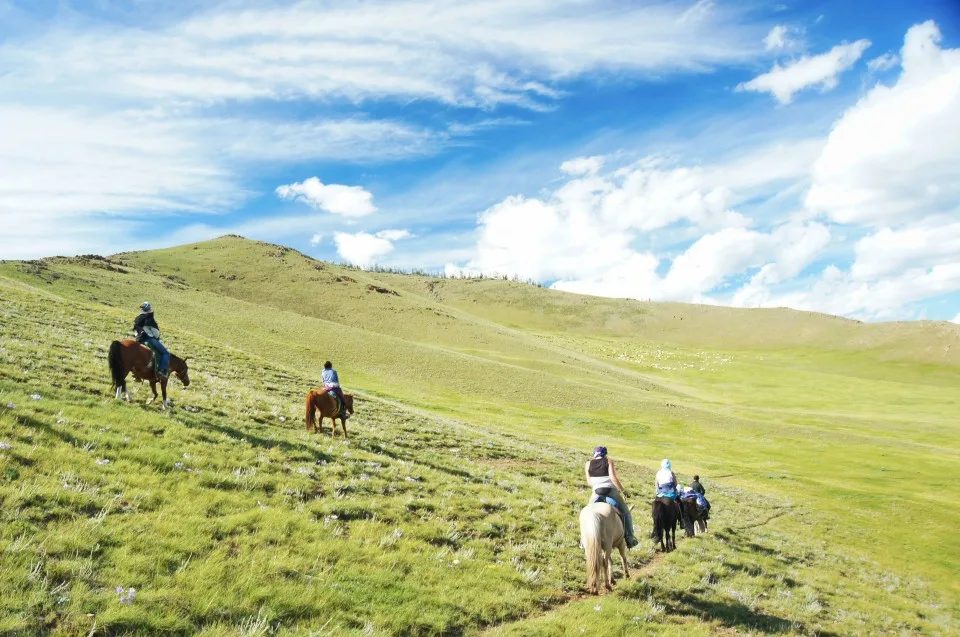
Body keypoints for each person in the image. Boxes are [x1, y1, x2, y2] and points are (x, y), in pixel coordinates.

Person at [584, 446, 638, 548]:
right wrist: (623, 491)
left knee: (587, 514)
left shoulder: (587, 464)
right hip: (610, 492)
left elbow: (589, 482)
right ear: (605, 454)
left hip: (596, 492)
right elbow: (613, 478)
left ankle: (583, 541)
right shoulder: (608, 461)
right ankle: (630, 538)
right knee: (626, 513)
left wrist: (597, 485)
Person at [133, 302, 169, 378]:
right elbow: (155, 333)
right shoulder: (149, 318)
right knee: (165, 353)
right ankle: (162, 371)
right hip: (149, 339)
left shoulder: (137, 318)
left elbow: (135, 331)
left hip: (138, 340)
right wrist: (156, 336)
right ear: (148, 309)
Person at [654, 459, 685, 528]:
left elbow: (656, 483)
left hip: (661, 492)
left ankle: (655, 519)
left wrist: (658, 490)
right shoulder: (671, 472)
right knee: (680, 502)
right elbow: (676, 483)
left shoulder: (658, 472)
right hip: (670, 492)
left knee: (656, 503)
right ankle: (682, 519)